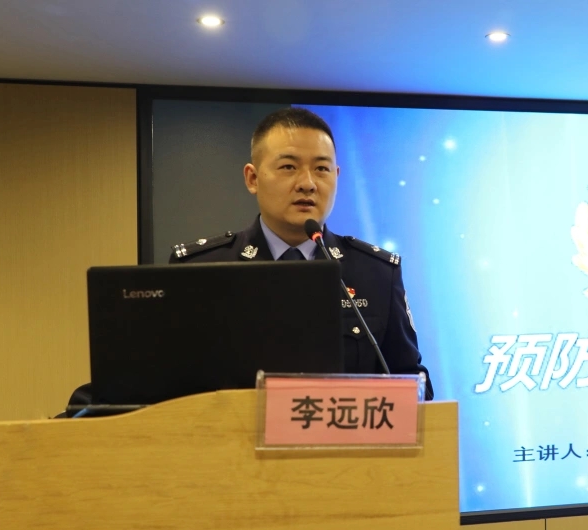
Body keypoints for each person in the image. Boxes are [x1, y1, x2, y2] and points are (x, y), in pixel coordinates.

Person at [168, 107, 433, 399]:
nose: (307, 183)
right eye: (288, 167)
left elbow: (413, 384)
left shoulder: (378, 274)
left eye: (321, 169)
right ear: (252, 178)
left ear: (336, 176)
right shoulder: (200, 270)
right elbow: (168, 390)